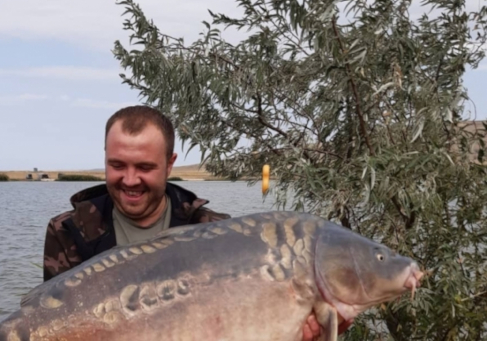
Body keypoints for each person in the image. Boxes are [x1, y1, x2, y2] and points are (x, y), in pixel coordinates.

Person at [42, 105, 350, 340]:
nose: (130, 179)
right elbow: (55, 317)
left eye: (145, 167)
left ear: (170, 164)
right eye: (117, 165)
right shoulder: (68, 230)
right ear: (105, 158)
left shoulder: (215, 231)